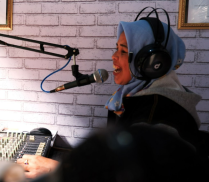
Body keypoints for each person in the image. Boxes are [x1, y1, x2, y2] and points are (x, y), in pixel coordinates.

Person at [17, 13, 208, 179]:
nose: (114, 56)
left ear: (151, 62)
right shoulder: (140, 95)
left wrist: (57, 168)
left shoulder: (158, 113)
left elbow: (136, 175)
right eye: (117, 48)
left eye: (123, 51)